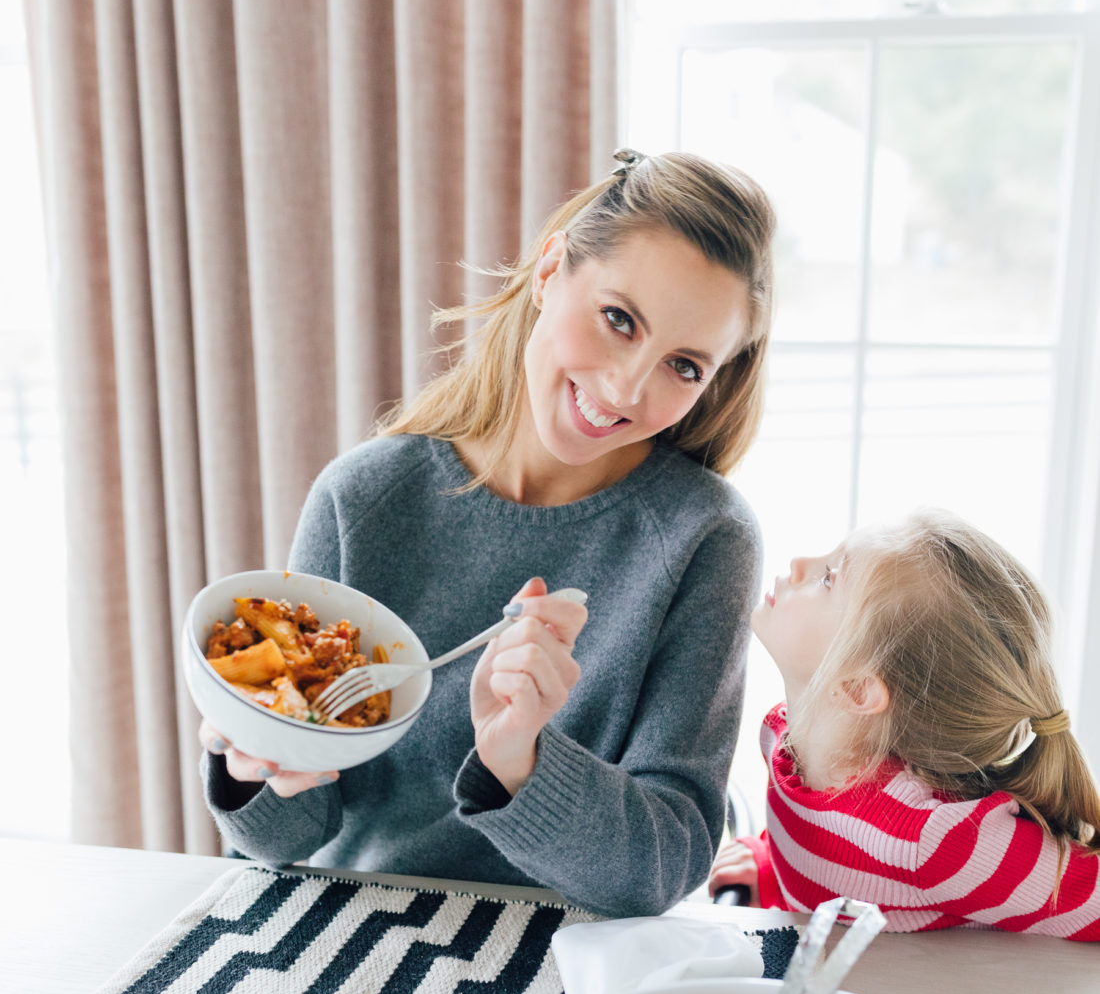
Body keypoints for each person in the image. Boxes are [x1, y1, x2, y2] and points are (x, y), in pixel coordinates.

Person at [200, 148, 775, 918]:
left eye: (683, 366)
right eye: (618, 319)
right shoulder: (365, 498)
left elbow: (663, 868)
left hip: (566, 961)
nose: (627, 387)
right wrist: (258, 763)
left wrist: (521, 763)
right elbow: (280, 844)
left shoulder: (706, 538)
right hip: (349, 933)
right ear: (549, 271)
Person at [709, 510, 1100, 939]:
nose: (800, 563)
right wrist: (768, 863)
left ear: (858, 688)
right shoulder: (783, 733)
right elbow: (822, 838)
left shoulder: (932, 840)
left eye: (828, 579)